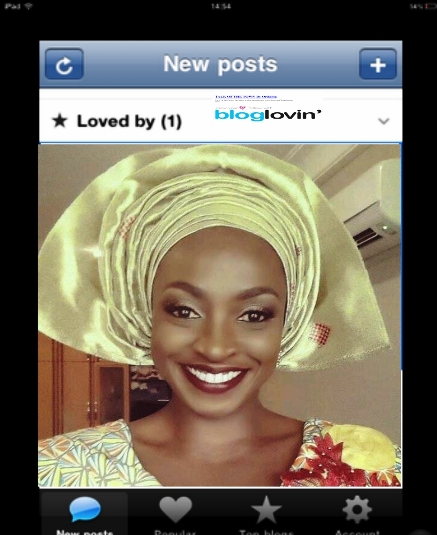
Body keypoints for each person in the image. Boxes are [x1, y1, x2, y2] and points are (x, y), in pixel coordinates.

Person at [38, 144, 401, 487]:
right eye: (184, 310)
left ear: (289, 323)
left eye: (254, 315)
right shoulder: (58, 470)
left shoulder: (372, 470)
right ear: (143, 313)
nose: (215, 347)